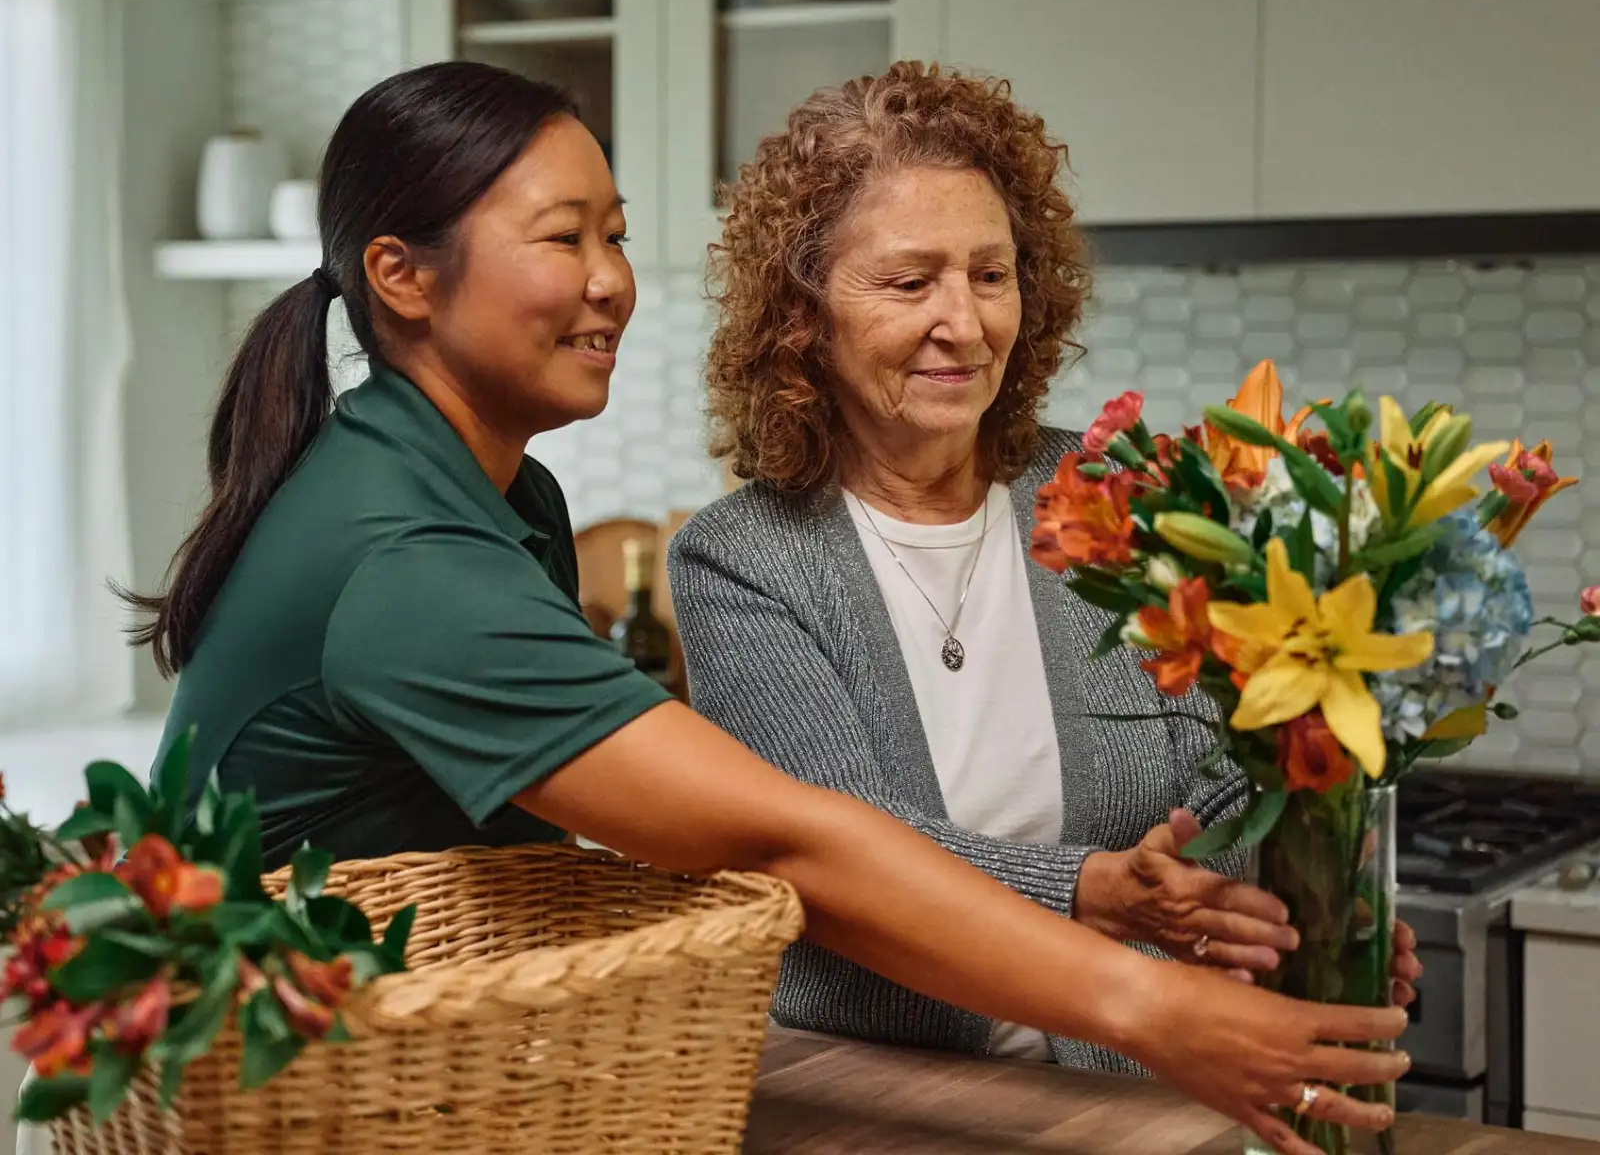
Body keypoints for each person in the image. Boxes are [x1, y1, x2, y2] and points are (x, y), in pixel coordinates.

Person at [118, 61, 1406, 1155]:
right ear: (402, 276)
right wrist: (1154, 1005)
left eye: (615, 234)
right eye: (563, 238)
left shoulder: (500, 498)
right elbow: (794, 842)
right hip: (285, 1095)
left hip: (417, 1076)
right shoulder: (410, 558)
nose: (613, 280)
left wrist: (1278, 941)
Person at [669, 61, 1421, 1072]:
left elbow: (1234, 775)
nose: (966, 323)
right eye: (908, 281)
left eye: (990, 274)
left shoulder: (1116, 490)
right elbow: (843, 847)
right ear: (802, 314)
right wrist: (1084, 886)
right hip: (882, 1102)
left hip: (1140, 1089)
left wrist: (1300, 912)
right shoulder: (740, 561)